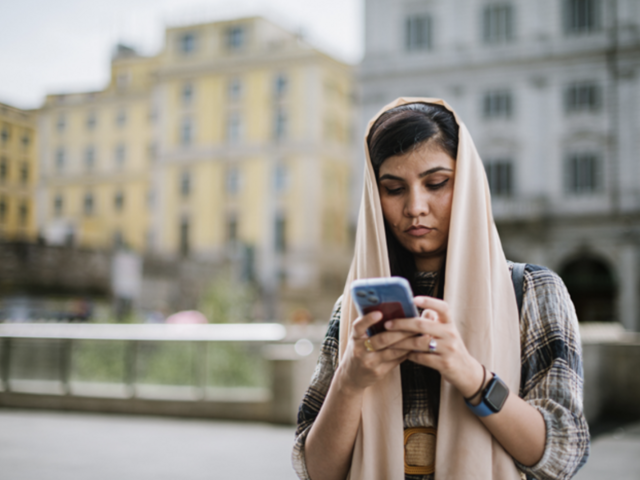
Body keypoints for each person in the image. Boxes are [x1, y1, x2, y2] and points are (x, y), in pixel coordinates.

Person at [292, 98, 589, 480]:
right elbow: (315, 472)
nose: (416, 206)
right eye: (394, 189)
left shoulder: (532, 290)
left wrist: (467, 372)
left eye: (436, 183)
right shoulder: (355, 307)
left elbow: (562, 454)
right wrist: (351, 378)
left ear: (467, 182)